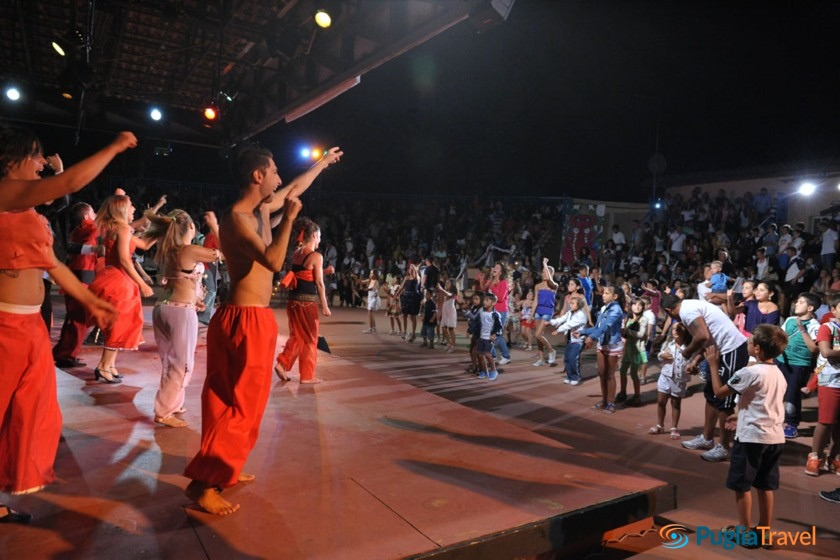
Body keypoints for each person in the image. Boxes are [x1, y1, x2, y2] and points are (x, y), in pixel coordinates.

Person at [184, 144, 341, 516]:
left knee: (227, 400)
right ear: (258, 176)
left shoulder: (255, 211)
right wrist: (288, 220)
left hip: (240, 316)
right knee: (243, 405)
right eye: (274, 172)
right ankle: (204, 483)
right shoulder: (239, 218)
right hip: (246, 319)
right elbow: (272, 260)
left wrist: (321, 164)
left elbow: (294, 190)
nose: (280, 179)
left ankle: (224, 467)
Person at [1, 126, 133, 524]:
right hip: (4, 327)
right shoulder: (4, 192)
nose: (42, 162)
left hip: (30, 330)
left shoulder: (28, 213)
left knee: (32, 414)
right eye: (36, 155)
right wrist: (113, 146)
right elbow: (69, 181)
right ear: (11, 160)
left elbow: (54, 265)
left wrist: (91, 298)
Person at [705, 324, 788, 549]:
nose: (747, 344)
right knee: (765, 486)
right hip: (774, 437)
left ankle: (744, 531)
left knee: (742, 486)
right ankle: (764, 531)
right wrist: (739, 414)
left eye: (750, 341)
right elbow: (763, 403)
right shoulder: (778, 373)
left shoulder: (749, 372)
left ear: (758, 349)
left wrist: (713, 365)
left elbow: (719, 392)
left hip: (752, 438)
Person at [144, 209, 221, 428]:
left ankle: (173, 403)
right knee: (181, 364)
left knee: (171, 362)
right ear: (190, 227)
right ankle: (164, 411)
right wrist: (215, 226)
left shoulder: (170, 250)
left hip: (164, 308)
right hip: (180, 312)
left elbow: (180, 279)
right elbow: (224, 253)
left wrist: (196, 299)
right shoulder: (189, 250)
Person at [662, 293, 749, 462]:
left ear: (668, 310)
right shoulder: (690, 306)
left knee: (724, 400)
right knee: (711, 394)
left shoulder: (687, 312)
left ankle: (724, 447)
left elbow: (702, 336)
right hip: (718, 351)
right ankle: (707, 438)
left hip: (731, 350)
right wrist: (696, 360)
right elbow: (708, 339)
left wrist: (687, 352)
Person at [87, 195, 157, 382]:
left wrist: (159, 229)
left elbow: (144, 244)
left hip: (113, 278)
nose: (134, 208)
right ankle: (103, 366)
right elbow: (125, 260)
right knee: (119, 325)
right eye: (131, 205)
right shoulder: (124, 228)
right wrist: (142, 283)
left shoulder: (114, 228)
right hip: (120, 282)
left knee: (120, 323)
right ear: (122, 209)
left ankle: (109, 365)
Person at [275, 216, 333, 383]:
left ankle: (282, 364)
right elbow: (319, 283)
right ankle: (307, 376)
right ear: (314, 235)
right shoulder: (316, 256)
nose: (320, 240)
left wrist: (325, 271)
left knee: (296, 336)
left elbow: (304, 274)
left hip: (293, 302)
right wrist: (325, 306)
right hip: (307, 303)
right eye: (320, 236)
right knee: (309, 338)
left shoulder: (296, 254)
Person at [52, 202, 99, 368]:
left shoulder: (78, 231)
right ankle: (67, 355)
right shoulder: (87, 228)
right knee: (79, 319)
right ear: (86, 217)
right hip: (81, 278)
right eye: (93, 211)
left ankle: (63, 352)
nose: (96, 214)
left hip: (78, 276)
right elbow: (104, 227)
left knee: (74, 319)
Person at [775, 292, 819, 440]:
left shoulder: (814, 325)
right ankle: (774, 420)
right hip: (781, 361)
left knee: (793, 394)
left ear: (810, 308)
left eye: (801, 302)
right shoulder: (790, 319)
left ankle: (792, 425)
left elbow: (814, 349)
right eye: (797, 302)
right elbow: (780, 335)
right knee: (776, 391)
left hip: (799, 365)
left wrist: (802, 329)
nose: (796, 304)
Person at [806, 294, 840, 476]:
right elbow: (826, 352)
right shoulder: (827, 328)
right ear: (833, 310)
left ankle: (834, 458)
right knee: (826, 422)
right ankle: (814, 457)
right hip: (831, 381)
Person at [580, 285, 626, 413]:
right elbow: (598, 326)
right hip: (602, 343)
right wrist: (583, 332)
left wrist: (592, 337)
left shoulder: (616, 309)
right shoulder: (603, 308)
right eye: (603, 293)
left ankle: (611, 403)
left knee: (610, 375)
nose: (603, 295)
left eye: (606, 293)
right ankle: (604, 400)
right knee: (601, 373)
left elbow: (606, 326)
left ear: (615, 296)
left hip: (612, 344)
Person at [650, 323, 691, 439]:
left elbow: (693, 359)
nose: (676, 331)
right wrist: (662, 356)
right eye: (673, 329)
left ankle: (674, 428)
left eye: (679, 328)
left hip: (679, 379)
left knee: (676, 403)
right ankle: (660, 425)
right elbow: (659, 355)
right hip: (665, 376)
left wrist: (692, 367)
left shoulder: (688, 347)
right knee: (661, 401)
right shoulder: (668, 344)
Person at [550, 294, 591, 385]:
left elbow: (569, 324)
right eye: (570, 303)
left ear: (578, 305)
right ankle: (569, 376)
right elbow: (561, 319)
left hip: (578, 341)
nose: (570, 305)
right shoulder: (570, 313)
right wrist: (550, 322)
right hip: (570, 340)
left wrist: (558, 330)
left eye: (572, 303)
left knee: (573, 358)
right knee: (567, 359)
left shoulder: (581, 314)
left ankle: (576, 376)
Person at [617, 297, 649, 406]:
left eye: (640, 305)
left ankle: (637, 396)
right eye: (635, 304)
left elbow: (640, 334)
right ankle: (622, 392)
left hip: (637, 350)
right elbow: (625, 335)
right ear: (631, 306)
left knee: (634, 374)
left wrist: (627, 331)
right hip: (629, 349)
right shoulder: (628, 319)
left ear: (643, 308)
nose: (637, 307)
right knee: (622, 371)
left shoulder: (644, 319)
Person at [532, 258, 559, 367]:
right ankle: (541, 359)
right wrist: (531, 315)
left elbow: (549, 279)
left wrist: (544, 263)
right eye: (543, 271)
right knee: (539, 336)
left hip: (548, 311)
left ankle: (551, 350)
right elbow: (535, 301)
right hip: (538, 311)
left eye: (545, 271)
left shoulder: (554, 286)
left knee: (537, 334)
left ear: (551, 273)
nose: (543, 273)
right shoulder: (538, 286)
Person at [197, 211, 221, 325]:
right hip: (208, 266)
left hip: (209, 266)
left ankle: (204, 316)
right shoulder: (212, 236)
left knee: (212, 290)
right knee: (211, 290)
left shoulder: (209, 236)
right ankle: (202, 314)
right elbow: (221, 249)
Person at [476, 292, 503, 381]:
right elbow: (476, 321)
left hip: (489, 338)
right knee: (480, 354)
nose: (484, 302)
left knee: (487, 354)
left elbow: (499, 327)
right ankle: (484, 371)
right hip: (481, 336)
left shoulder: (495, 315)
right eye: (484, 300)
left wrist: (494, 335)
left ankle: (494, 370)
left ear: (493, 303)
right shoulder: (481, 311)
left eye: (487, 300)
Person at [397, 264, 421, 342]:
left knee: (413, 316)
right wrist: (396, 295)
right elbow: (401, 287)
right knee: (404, 315)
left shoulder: (417, 278)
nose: (410, 269)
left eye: (412, 268)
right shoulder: (406, 278)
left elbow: (416, 275)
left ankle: (413, 334)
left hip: (413, 298)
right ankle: (405, 331)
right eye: (409, 268)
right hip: (406, 298)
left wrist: (414, 267)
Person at [361, 269, 380, 334]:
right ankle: (373, 328)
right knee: (371, 313)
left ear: (375, 274)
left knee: (370, 313)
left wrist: (366, 289)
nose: (370, 274)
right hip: (370, 298)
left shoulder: (376, 281)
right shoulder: (369, 280)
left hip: (374, 299)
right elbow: (361, 282)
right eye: (370, 273)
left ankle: (370, 328)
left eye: (372, 273)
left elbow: (373, 288)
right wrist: (356, 278)